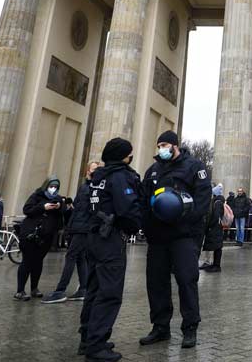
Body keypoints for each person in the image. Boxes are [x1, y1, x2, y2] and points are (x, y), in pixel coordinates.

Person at [140, 130, 211, 349]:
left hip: (183, 235)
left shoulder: (195, 167)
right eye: (158, 145)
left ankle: (190, 328)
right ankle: (160, 327)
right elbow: (144, 201)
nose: (161, 149)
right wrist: (147, 227)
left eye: (164, 145)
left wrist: (184, 219)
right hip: (158, 237)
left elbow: (202, 200)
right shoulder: (152, 170)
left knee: (186, 280)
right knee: (156, 282)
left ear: (174, 145)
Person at [78, 138, 142, 362]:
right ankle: (96, 345)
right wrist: (137, 225)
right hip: (110, 239)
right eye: (129, 153)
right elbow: (127, 210)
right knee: (109, 292)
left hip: (93, 236)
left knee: (94, 289)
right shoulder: (120, 176)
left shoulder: (98, 176)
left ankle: (87, 338)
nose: (131, 156)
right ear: (123, 155)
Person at [44, 162, 103, 304]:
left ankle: (60, 290)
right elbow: (78, 208)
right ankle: (83, 288)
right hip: (78, 226)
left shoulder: (94, 188)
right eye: (92, 169)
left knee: (71, 256)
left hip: (83, 228)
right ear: (87, 171)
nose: (93, 172)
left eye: (96, 169)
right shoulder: (84, 187)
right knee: (80, 258)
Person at [14, 177, 63, 300]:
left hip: (46, 236)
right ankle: (20, 290)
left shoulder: (57, 199)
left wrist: (59, 207)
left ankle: (34, 288)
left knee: (38, 262)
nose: (54, 189)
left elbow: (62, 216)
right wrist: (43, 207)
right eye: (52, 186)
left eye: (56, 187)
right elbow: (27, 210)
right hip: (31, 234)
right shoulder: (36, 195)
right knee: (27, 261)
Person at [201, 184, 225, 272]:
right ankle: (215, 264)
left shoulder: (217, 202)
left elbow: (216, 216)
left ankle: (217, 266)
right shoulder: (217, 201)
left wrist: (210, 225)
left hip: (215, 227)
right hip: (216, 227)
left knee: (217, 246)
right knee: (216, 246)